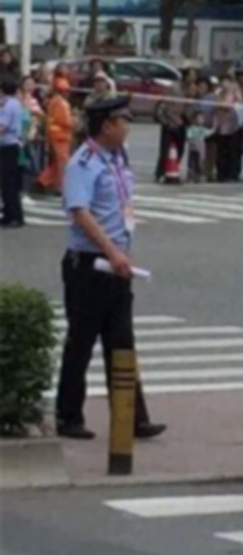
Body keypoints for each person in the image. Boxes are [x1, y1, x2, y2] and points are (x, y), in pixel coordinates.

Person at [55, 96, 165, 441]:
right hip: (89, 264)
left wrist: (121, 253)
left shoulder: (117, 159)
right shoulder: (83, 163)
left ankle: (133, 416)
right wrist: (111, 250)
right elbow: (80, 212)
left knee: (122, 342)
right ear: (106, 126)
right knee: (81, 342)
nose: (128, 127)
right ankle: (69, 415)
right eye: (123, 121)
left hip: (117, 264)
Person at [37, 77, 75, 195]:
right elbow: (66, 121)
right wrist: (75, 121)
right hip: (61, 136)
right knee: (62, 163)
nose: (68, 93)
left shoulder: (54, 101)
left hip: (56, 135)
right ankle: (59, 187)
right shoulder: (61, 103)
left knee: (57, 162)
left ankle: (43, 180)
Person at [0, 78, 24, 228]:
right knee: (7, 183)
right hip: (9, 145)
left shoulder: (8, 105)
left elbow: (2, 126)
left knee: (9, 183)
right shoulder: (14, 103)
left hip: (8, 146)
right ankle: (9, 213)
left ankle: (15, 215)